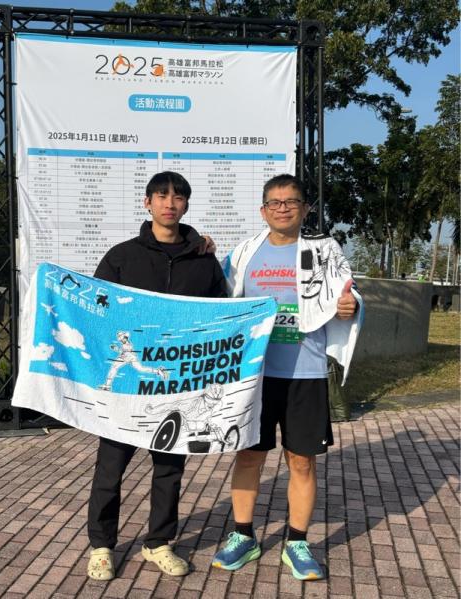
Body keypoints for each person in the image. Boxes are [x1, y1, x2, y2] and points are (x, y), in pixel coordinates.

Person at [212, 174, 362, 581]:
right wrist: (203, 251)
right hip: (255, 376)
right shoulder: (244, 253)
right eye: (275, 202)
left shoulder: (325, 250)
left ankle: (297, 542)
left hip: (305, 373)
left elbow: (348, 292)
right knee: (248, 455)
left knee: (301, 461)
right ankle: (244, 535)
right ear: (263, 210)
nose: (283, 208)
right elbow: (216, 295)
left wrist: (349, 305)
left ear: (305, 208)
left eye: (291, 201)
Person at [86, 171, 226, 580]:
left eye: (178, 197)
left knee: (169, 471)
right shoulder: (121, 256)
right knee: (109, 471)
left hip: (175, 385)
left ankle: (158, 542)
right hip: (127, 390)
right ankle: (101, 546)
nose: (169, 203)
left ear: (186, 205)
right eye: (161, 196)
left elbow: (220, 316)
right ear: (147, 203)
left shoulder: (203, 260)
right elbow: (97, 312)